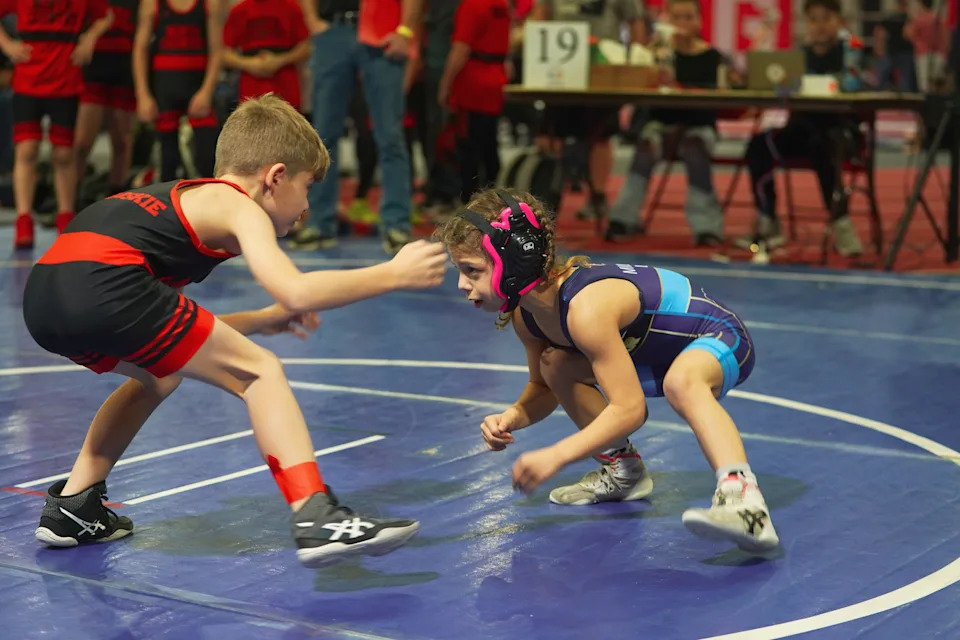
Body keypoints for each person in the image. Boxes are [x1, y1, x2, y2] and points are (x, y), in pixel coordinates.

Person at [22, 95, 448, 567]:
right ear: (275, 177)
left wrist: (263, 320)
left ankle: (73, 505)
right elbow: (298, 292)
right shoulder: (238, 206)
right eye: (308, 188)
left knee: (160, 375)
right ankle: (316, 513)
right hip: (104, 285)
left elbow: (165, 323)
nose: (307, 207)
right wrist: (393, 273)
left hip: (45, 298)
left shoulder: (179, 202)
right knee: (261, 372)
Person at [433, 188, 779, 553]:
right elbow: (544, 387)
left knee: (683, 381)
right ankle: (624, 472)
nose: (460, 284)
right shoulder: (528, 316)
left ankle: (744, 502)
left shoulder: (586, 308)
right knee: (556, 363)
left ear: (516, 260)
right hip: (652, 354)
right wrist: (513, 417)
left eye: (471, 270)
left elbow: (630, 410)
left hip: (718, 337)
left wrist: (558, 455)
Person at [741, 0, 863, 258]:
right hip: (802, 129)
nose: (819, 26)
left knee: (823, 146)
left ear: (839, 21)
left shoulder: (851, 51)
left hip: (841, 131)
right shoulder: (798, 56)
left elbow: (852, 86)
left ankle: (841, 223)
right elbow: (784, 90)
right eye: (813, 19)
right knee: (759, 146)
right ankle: (768, 219)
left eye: (825, 18)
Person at [606, 0, 726, 246]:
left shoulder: (713, 57)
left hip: (699, 127)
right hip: (660, 126)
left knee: (695, 148)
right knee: (645, 146)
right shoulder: (655, 55)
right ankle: (623, 218)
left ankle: (707, 227)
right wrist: (652, 65)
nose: (682, 24)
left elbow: (723, 96)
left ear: (699, 21)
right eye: (676, 17)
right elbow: (638, 88)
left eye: (688, 17)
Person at [0, 0, 113, 249]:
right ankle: (23, 219)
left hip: (65, 78)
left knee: (64, 153)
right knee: (26, 150)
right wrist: (7, 44)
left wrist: (88, 38)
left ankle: (65, 216)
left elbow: (106, 16)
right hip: (28, 80)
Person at [76, 0, 140, 207]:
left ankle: (118, 200)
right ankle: (73, 199)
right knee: (82, 142)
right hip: (93, 66)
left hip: (125, 66)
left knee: (122, 140)